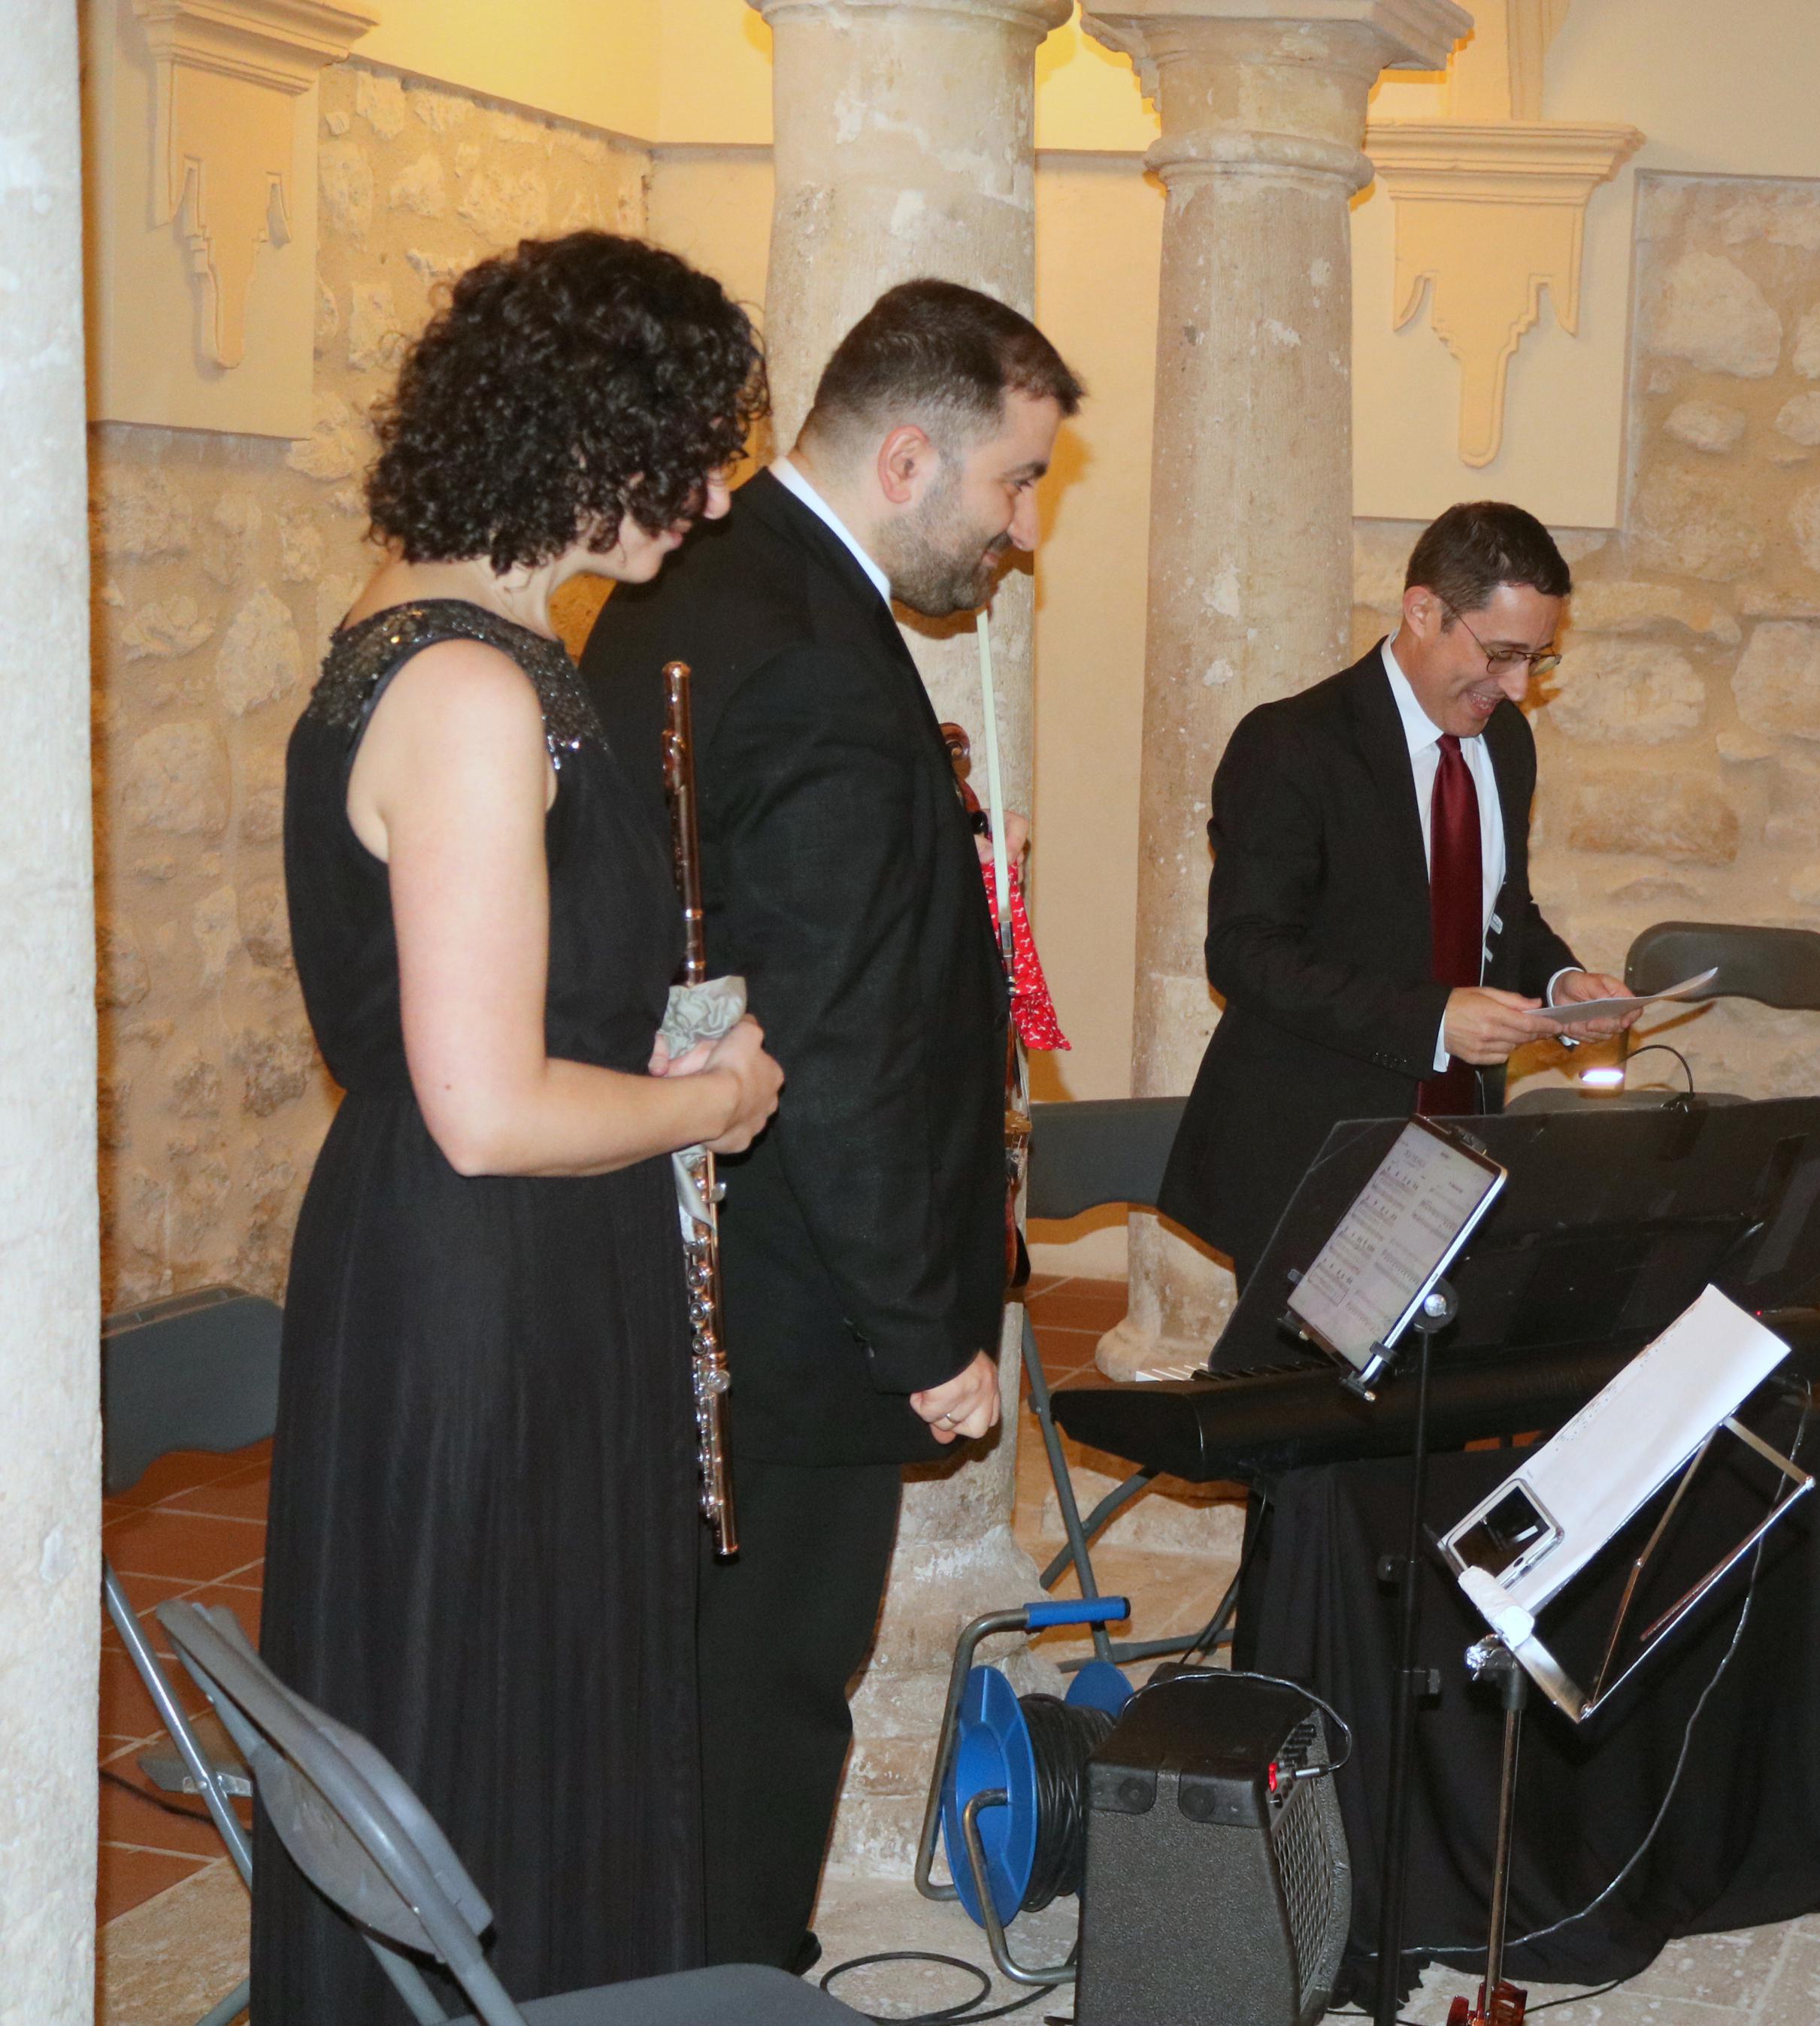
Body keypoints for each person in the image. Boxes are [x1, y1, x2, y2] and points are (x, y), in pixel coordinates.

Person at [259, 232, 783, 2017]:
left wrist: (652, 1046)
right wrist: (711, 1101)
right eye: (687, 452)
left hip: (482, 1259)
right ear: (580, 433)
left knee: (514, 1713)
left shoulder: (436, 635)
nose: (711, 498)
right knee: (502, 1727)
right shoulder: (473, 691)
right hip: (484, 1276)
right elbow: (484, 1106)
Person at [579, 277, 1078, 1972]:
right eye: (1014, 482)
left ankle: (673, 1973)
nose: (1022, 530)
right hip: (785, 1305)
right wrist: (931, 1333)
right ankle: (729, 1988)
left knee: (686, 1688)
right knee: (767, 1696)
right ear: (909, 457)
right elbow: (842, 1045)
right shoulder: (813, 661)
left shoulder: (698, 589)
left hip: (678, 1253)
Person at [1161, 501, 1635, 1276]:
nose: (1517, 686)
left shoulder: (1505, 742)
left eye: (1536, 658)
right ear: (1422, 611)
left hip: (1458, 1149)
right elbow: (1245, 952)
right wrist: (1434, 1018)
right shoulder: (1292, 744)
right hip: (1313, 1149)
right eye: (1501, 654)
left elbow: (1497, 909)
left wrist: (1559, 983)